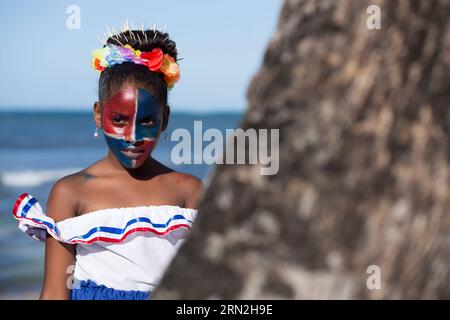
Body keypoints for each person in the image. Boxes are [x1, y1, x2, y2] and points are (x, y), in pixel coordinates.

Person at [12, 27, 202, 300]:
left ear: (165, 118)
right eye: (120, 120)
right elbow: (55, 292)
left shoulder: (188, 191)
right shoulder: (71, 192)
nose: (133, 136)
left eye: (147, 121)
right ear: (99, 115)